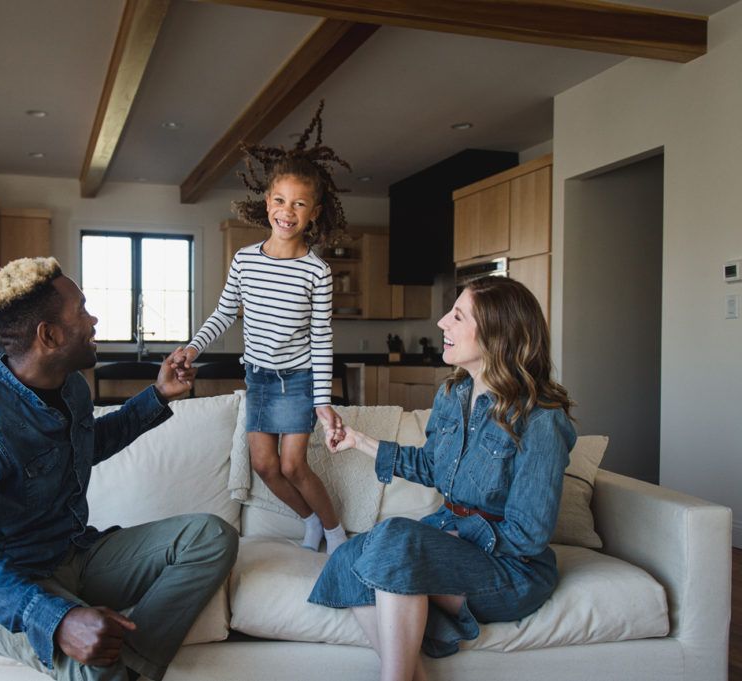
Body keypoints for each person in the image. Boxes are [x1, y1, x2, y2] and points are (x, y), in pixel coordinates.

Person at [0, 257, 238, 681]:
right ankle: (111, 665)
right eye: (82, 309)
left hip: (72, 552)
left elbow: (88, 444)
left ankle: (129, 664)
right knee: (94, 667)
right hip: (6, 586)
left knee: (210, 536)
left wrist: (160, 394)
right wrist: (57, 619)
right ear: (50, 335)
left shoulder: (70, 385)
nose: (93, 319)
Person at [308, 276, 577, 681]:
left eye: (457, 315)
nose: (440, 322)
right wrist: (358, 441)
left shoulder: (541, 418)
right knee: (351, 554)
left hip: (510, 568)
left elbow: (530, 534)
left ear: (496, 335)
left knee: (397, 539)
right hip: (452, 546)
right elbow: (434, 468)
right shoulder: (453, 395)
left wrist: (446, 540)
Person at [171, 102, 350, 555]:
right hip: (260, 378)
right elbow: (225, 311)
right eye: (279, 200)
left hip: (299, 380)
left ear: (314, 212)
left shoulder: (317, 271)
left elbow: (322, 338)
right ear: (266, 201)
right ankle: (310, 521)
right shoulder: (245, 260)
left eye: (299, 204)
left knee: (293, 465)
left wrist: (324, 401)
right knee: (265, 466)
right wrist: (193, 347)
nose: (286, 211)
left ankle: (336, 535)